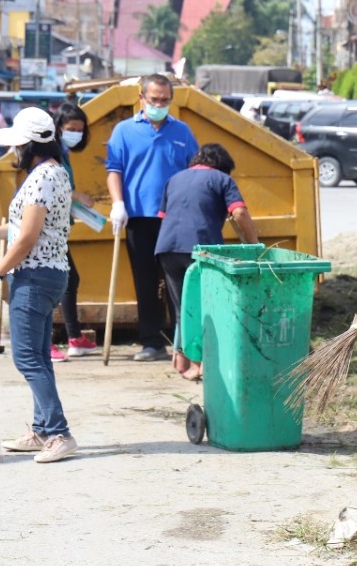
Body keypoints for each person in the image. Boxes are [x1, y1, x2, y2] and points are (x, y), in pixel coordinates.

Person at [0, 107, 77, 464]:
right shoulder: (54, 172)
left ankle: (58, 433)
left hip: (34, 276)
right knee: (40, 357)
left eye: (18, 145)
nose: (15, 151)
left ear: (30, 145)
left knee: (28, 358)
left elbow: (29, 237)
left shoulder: (42, 177)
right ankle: (42, 429)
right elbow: (27, 228)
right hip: (48, 273)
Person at [106, 74, 198, 362]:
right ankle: (152, 342)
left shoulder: (182, 131)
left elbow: (195, 170)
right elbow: (114, 170)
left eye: (165, 100)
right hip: (138, 216)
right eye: (154, 99)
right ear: (141, 98)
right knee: (144, 281)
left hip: (175, 217)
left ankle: (184, 343)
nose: (159, 105)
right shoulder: (123, 131)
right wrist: (118, 203)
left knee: (178, 280)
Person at [155, 142, 259, 381]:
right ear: (223, 166)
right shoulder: (222, 179)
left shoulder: (174, 179)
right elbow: (239, 212)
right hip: (200, 249)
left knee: (183, 306)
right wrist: (254, 244)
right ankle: (200, 365)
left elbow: (163, 217)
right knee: (205, 305)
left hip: (167, 248)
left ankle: (182, 360)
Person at [52, 102, 99, 361]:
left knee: (70, 280)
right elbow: (52, 184)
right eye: (71, 129)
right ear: (58, 127)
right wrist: (77, 196)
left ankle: (74, 338)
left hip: (59, 226)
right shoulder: (51, 153)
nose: (76, 134)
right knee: (56, 282)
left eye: (80, 130)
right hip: (47, 228)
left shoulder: (64, 152)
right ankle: (47, 341)